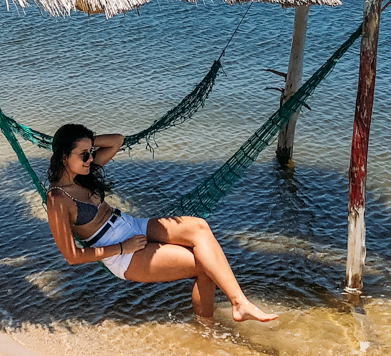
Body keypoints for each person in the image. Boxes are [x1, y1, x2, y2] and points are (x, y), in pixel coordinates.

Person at [46, 123, 277, 323]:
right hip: (121, 254)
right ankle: (209, 331)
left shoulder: (84, 173)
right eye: (83, 154)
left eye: (90, 152)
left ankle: (239, 302)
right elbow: (72, 256)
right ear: (64, 156)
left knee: (199, 227)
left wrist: (83, 141)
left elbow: (117, 141)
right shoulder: (57, 198)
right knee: (205, 266)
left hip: (131, 225)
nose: (90, 158)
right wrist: (122, 248)